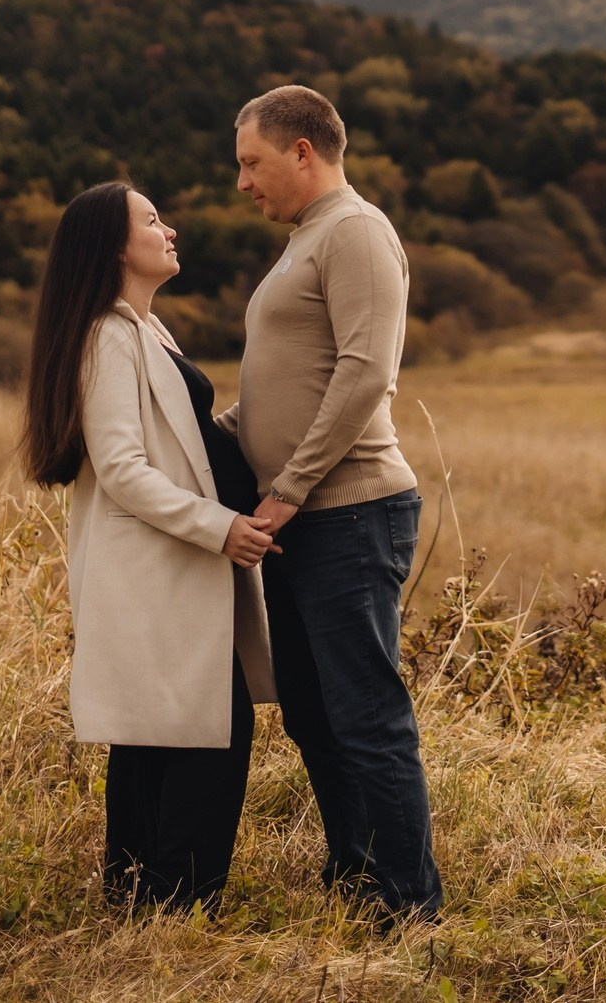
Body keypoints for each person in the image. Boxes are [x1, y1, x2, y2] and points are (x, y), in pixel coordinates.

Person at [20, 181, 277, 910]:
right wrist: (220, 526)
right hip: (159, 568)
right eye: (152, 219)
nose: (171, 229)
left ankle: (138, 893)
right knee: (199, 729)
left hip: (174, 568)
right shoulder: (106, 334)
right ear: (113, 246)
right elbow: (124, 468)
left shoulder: (145, 329)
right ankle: (176, 898)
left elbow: (184, 441)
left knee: (161, 730)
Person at [226, 84, 443, 919]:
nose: (244, 181)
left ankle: (410, 901)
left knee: (365, 714)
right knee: (313, 714)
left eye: (252, 162)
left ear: (301, 152)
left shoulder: (354, 231)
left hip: (349, 512)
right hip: (302, 522)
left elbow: (363, 374)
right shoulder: (304, 241)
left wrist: (285, 488)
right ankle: (352, 873)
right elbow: (287, 386)